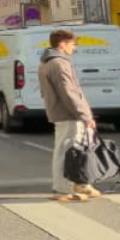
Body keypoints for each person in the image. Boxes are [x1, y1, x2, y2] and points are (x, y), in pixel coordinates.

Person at [39, 29, 100, 202]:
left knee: (76, 150)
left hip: (65, 112)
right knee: (66, 152)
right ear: (62, 44)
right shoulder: (59, 63)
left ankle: (80, 183)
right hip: (68, 114)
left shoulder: (48, 62)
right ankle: (62, 189)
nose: (74, 48)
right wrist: (84, 115)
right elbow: (69, 92)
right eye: (73, 44)